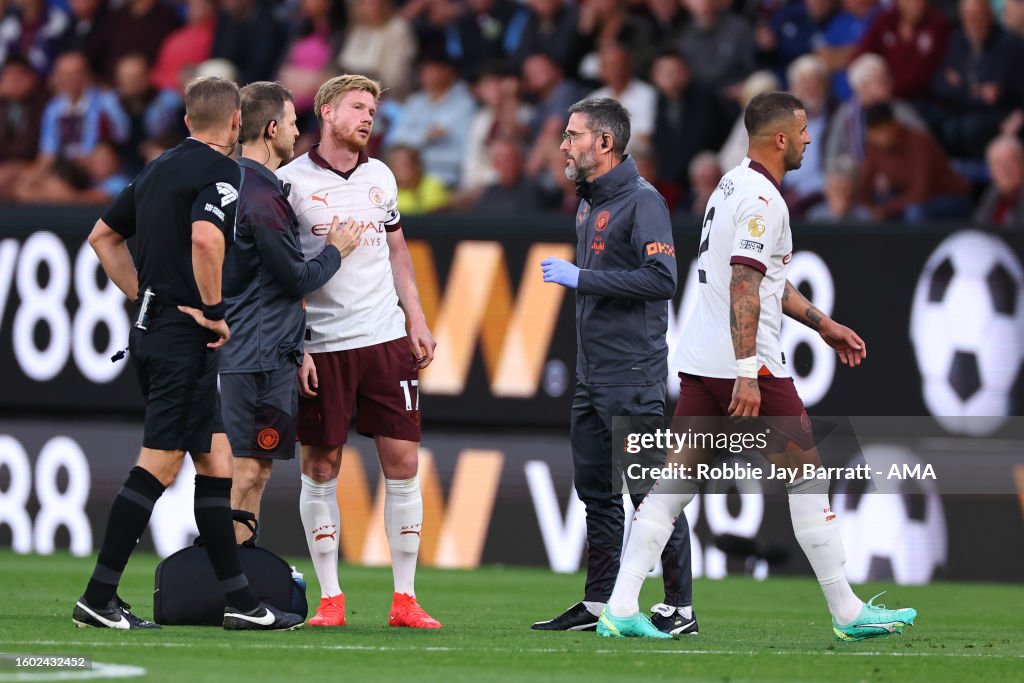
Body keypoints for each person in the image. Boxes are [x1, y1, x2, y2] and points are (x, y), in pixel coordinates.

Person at [597, 91, 917, 640]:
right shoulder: (764, 201)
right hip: (748, 367)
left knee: (672, 487)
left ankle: (621, 606)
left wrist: (822, 323)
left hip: (702, 361)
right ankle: (846, 612)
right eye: (804, 130)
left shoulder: (730, 185)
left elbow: (763, 278)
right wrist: (747, 372)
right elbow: (745, 284)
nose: (809, 140)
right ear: (781, 138)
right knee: (808, 478)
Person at [75, 76, 302, 631]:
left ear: (186, 121)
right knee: (160, 462)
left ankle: (241, 603)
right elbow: (206, 238)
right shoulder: (221, 171)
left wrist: (145, 296)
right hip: (183, 340)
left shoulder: (157, 167)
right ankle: (98, 597)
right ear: (235, 123)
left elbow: (103, 236)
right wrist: (214, 309)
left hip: (158, 331)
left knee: (216, 460)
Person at [276, 74, 441, 629]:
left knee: (404, 463)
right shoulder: (290, 183)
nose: (368, 117)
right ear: (326, 111)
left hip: (385, 339)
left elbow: (397, 251)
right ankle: (330, 599)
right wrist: (296, 344)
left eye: (372, 109)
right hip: (323, 343)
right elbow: (282, 272)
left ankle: (405, 599)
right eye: (357, 107)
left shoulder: (381, 176)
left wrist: (416, 317)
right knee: (321, 465)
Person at [533, 97, 697, 636]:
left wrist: (582, 278)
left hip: (631, 374)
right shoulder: (588, 202)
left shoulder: (642, 201)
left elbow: (662, 279)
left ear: (604, 143)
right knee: (596, 495)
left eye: (573, 135)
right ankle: (599, 601)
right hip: (592, 374)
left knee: (651, 496)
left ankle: (680, 608)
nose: (563, 145)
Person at [221, 81, 364, 543]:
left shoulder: (233, 183)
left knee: (255, 470)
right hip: (257, 352)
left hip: (260, 347)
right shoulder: (262, 197)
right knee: (247, 470)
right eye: (291, 122)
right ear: (271, 129)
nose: (297, 131)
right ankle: (228, 574)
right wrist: (335, 250)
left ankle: (240, 570)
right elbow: (295, 279)